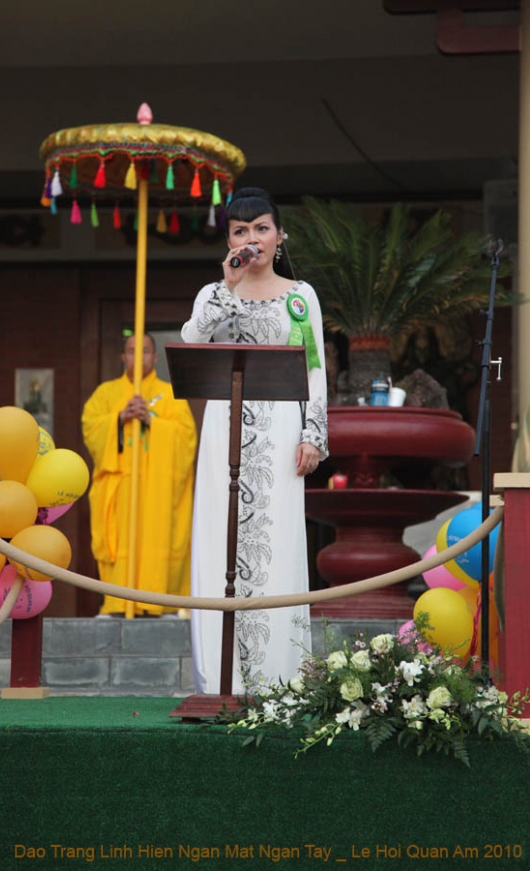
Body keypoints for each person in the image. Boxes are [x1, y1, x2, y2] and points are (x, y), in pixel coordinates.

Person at [181, 187, 328, 693]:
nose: (252, 239)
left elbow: (314, 368)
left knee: (276, 542)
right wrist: (228, 286)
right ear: (228, 240)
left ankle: (279, 680)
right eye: (240, 231)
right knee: (218, 540)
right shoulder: (213, 293)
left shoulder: (300, 296)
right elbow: (192, 341)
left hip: (281, 431)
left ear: (280, 236)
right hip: (223, 429)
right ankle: (223, 682)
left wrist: (313, 434)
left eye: (261, 228)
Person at [82, 333, 197, 617]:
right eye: (131, 350)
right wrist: (119, 418)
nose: (138, 356)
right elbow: (91, 429)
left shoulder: (171, 395)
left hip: (158, 493)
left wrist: (152, 421)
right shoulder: (106, 394)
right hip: (121, 490)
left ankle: (160, 603)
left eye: (144, 350)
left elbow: (187, 439)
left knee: (160, 542)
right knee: (119, 542)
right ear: (123, 357)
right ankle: (118, 603)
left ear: (155, 358)